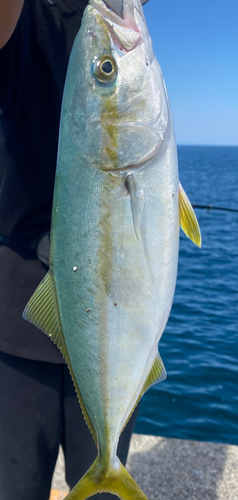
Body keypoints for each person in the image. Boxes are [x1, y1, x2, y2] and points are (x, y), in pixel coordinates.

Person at [0, 1, 148, 498]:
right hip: (15, 305)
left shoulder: (110, 13)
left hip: (116, 315)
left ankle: (109, 469)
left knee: (104, 491)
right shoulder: (24, 15)